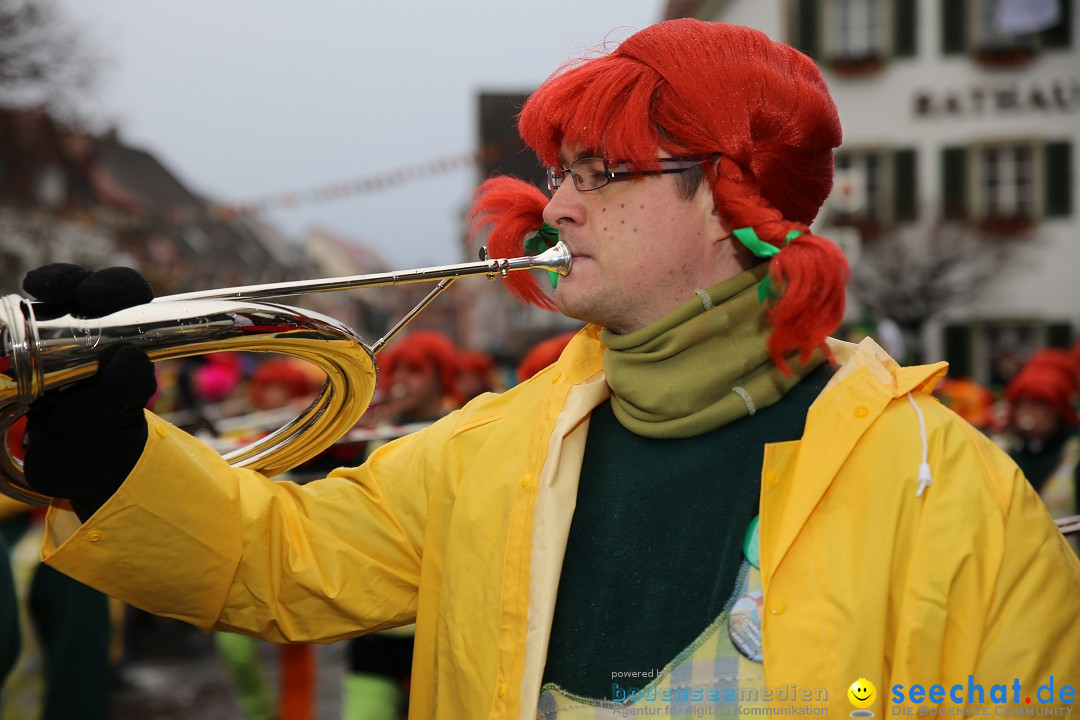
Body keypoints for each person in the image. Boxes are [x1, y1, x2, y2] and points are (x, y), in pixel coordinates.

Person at [12, 19, 1080, 720]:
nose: (556, 207)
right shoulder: (497, 446)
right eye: (558, 174)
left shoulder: (958, 498)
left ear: (736, 201)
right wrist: (112, 460)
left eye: (601, 174)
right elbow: (278, 559)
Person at [1000, 349, 1079, 549]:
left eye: (1039, 404)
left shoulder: (1074, 453)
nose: (1028, 412)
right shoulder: (1004, 451)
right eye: (1022, 404)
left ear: (1057, 410)